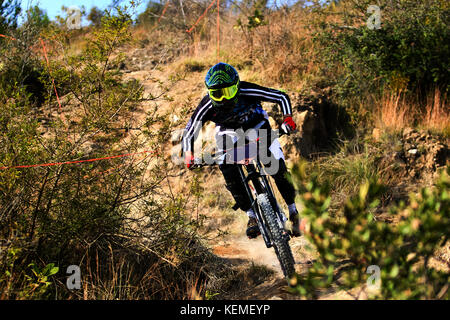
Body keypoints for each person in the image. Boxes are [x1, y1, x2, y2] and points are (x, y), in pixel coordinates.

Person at [182, 62, 302, 238]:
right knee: (228, 167)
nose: (223, 99)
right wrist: (188, 154)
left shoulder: (247, 90)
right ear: (209, 92)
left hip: (257, 126)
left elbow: (281, 97)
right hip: (230, 133)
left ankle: (293, 210)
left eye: (228, 92)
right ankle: (251, 216)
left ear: (237, 87)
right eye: (217, 94)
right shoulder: (207, 105)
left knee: (276, 166)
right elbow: (190, 130)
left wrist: (288, 118)